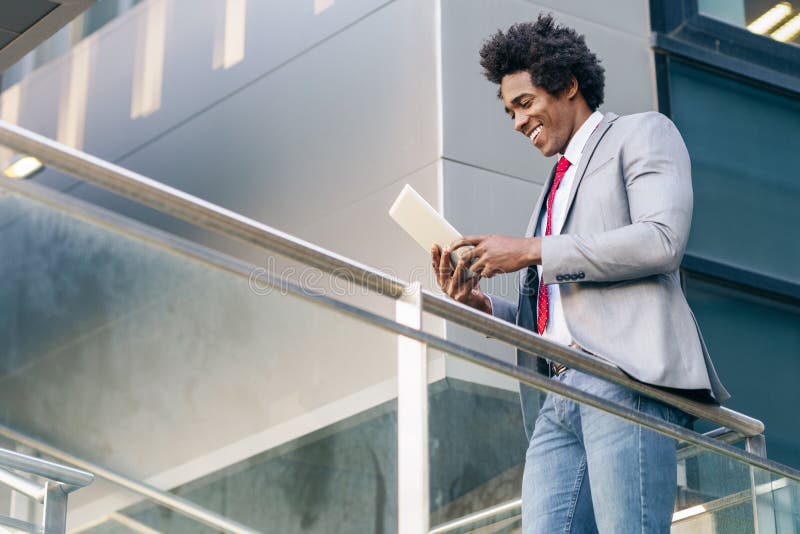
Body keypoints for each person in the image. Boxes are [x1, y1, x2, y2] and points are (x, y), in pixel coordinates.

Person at [431, 14, 730, 534]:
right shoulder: (553, 189)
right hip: (555, 400)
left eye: (524, 103)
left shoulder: (641, 133)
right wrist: (482, 307)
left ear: (568, 85)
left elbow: (661, 240)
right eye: (510, 113)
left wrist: (530, 250)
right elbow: (554, 316)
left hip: (623, 380)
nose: (518, 122)